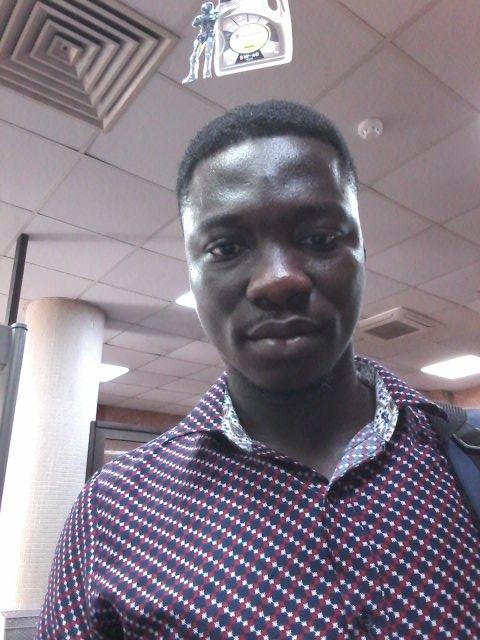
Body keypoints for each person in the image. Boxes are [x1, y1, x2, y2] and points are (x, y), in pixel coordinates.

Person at [36, 101, 480, 639]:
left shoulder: (464, 457)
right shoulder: (110, 515)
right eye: (226, 247)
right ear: (191, 272)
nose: (278, 279)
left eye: (319, 239)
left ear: (362, 249)